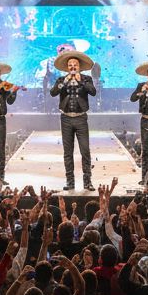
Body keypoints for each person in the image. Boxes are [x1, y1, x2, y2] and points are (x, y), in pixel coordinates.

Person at [49, 49, 97, 191]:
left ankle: (87, 181)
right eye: (70, 65)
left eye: (75, 64)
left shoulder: (86, 79)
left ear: (79, 66)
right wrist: (64, 82)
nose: (72, 67)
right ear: (67, 67)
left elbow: (93, 92)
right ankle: (70, 182)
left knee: (85, 150)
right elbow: (53, 93)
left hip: (81, 118)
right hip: (66, 119)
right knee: (68, 152)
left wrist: (80, 80)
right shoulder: (61, 80)